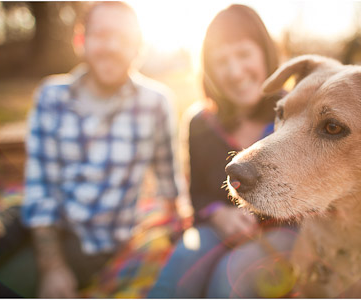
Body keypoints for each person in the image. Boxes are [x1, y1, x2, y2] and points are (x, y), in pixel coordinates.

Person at [0, 2, 181, 298]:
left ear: (139, 47)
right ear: (80, 39)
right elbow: (40, 187)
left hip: (95, 238)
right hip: (38, 215)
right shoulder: (51, 95)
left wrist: (176, 232)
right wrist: (52, 266)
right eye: (102, 34)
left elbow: (169, 185)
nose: (111, 46)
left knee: (5, 284)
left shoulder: (156, 104)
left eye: (123, 38)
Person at [147, 4, 297, 298]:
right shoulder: (201, 123)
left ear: (265, 53)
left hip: (287, 232)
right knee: (178, 272)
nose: (235, 71)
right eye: (221, 61)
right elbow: (199, 194)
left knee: (227, 280)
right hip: (217, 228)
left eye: (243, 54)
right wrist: (219, 216)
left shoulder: (295, 114)